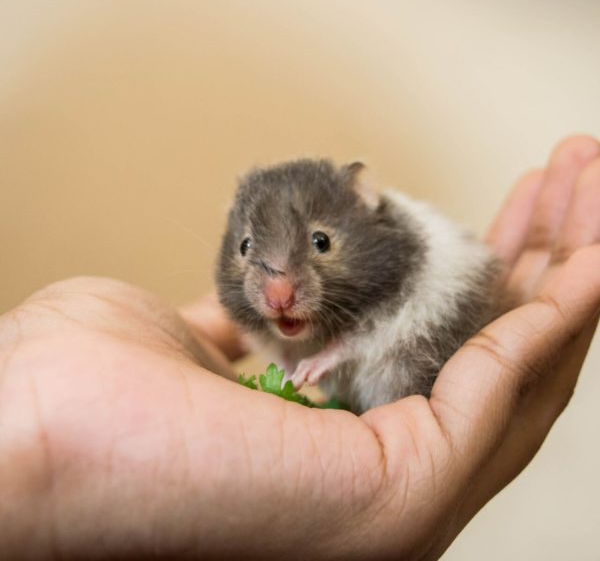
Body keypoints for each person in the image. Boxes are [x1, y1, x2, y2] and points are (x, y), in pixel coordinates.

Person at [0, 136, 598, 560]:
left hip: (404, 337)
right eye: (249, 252)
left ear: (360, 214)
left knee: (397, 365)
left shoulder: (403, 258)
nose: (278, 291)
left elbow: (385, 313)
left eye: (319, 243)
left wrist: (339, 353)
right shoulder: (249, 299)